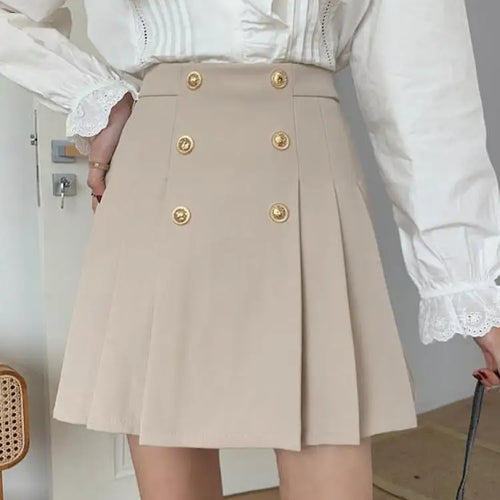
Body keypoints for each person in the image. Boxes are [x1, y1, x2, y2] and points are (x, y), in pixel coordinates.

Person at [1, 1, 500, 499]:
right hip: (161, 160)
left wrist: (473, 285)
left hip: (307, 165)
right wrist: (94, 97)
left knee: (331, 447)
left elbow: (424, 88)